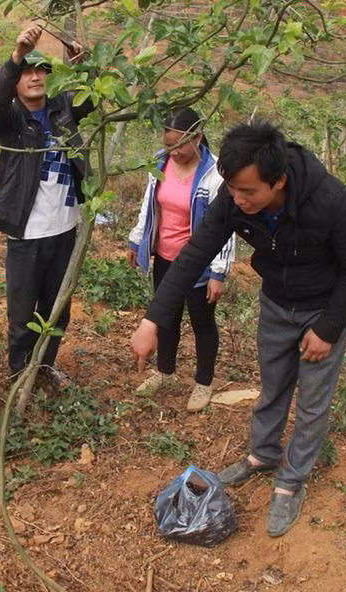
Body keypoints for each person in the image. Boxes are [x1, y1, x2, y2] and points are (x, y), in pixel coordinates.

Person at [131, 121, 346, 536]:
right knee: (273, 384)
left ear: (278, 182)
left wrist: (329, 328)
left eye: (249, 192)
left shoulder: (330, 201)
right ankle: (262, 455)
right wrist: (152, 320)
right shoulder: (233, 198)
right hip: (276, 302)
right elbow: (194, 255)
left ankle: (291, 481)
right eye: (233, 189)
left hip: (322, 308)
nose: (238, 200)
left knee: (313, 401)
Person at [0, 25, 91, 388]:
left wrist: (80, 66)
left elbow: (90, 99)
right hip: (26, 234)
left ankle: (44, 370)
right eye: (27, 71)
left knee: (57, 309)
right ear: (16, 81)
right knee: (21, 315)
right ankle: (19, 377)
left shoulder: (63, 111)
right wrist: (16, 56)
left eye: (41, 70)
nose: (34, 77)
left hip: (64, 230)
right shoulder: (11, 121)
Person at [127, 107, 235, 412]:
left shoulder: (215, 174)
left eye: (180, 145)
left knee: (202, 322)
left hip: (199, 263)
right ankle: (165, 372)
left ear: (198, 138)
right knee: (167, 317)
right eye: (169, 143)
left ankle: (203, 382)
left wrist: (218, 272)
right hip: (165, 256)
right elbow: (149, 204)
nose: (173, 151)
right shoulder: (160, 163)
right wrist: (138, 237)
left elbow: (226, 226)